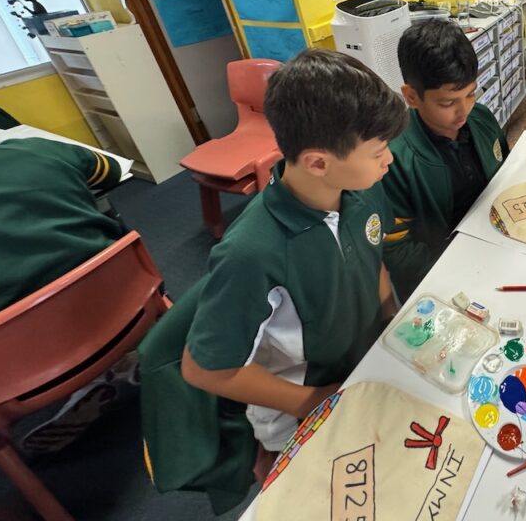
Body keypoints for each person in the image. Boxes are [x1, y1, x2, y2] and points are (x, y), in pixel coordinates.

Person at [139, 49, 407, 509]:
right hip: (300, 400)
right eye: (379, 152)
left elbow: (373, 261)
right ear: (318, 163)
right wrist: (309, 401)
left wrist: (392, 322)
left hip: (362, 366)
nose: (390, 161)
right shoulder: (252, 254)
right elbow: (203, 367)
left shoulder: (360, 190)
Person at [0, 137, 135, 454]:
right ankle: (126, 358)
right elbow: (112, 172)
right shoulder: (34, 149)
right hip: (125, 301)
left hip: (17, 367)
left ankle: (94, 374)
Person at [382, 21, 508, 301]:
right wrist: (456, 273)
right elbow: (396, 248)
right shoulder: (393, 159)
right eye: (447, 103)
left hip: (498, 247)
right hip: (445, 279)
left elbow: (505, 176)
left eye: (471, 93)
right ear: (412, 97)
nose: (464, 110)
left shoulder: (482, 119)